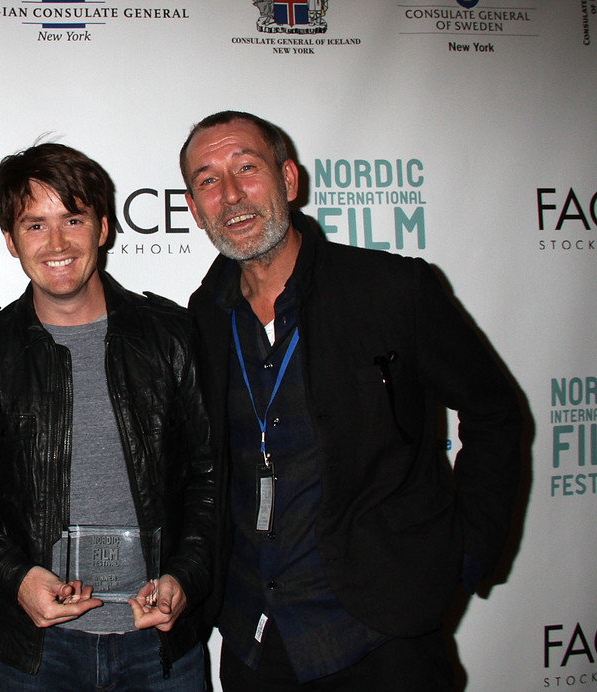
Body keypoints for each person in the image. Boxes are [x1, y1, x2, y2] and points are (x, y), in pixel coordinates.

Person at [179, 111, 522, 690]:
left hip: (382, 637)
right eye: (208, 180)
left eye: (247, 169)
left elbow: (496, 413)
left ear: (289, 180)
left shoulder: (392, 290)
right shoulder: (202, 318)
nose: (231, 195)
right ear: (194, 207)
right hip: (252, 638)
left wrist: (464, 556)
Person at [0, 142, 218, 690]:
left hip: (160, 645)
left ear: (102, 228)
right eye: (34, 225)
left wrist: (185, 576)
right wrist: (16, 579)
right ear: (10, 240)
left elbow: (209, 480)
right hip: (35, 649)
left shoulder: (171, 336)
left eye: (73, 219)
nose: (57, 243)